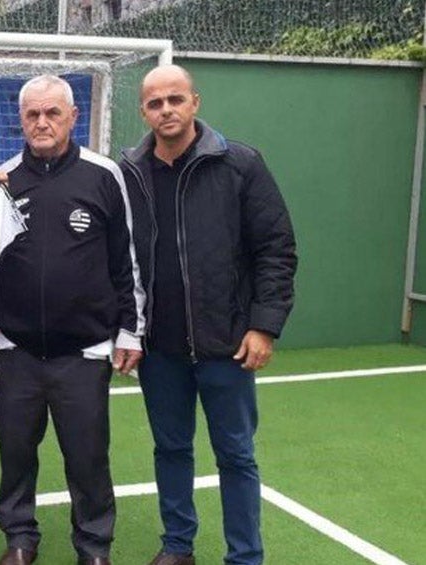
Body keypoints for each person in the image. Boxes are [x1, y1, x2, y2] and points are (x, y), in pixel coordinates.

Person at [120, 65, 297, 565]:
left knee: (236, 457)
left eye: (175, 99)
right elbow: (118, 257)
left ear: (195, 102)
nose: (166, 110)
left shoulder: (239, 163)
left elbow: (276, 249)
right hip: (160, 351)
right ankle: (178, 546)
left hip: (228, 345)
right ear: (143, 111)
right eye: (155, 103)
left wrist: (264, 324)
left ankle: (245, 556)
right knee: (171, 451)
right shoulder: (130, 172)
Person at [0, 75, 146, 565]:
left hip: (84, 351)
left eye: (53, 113)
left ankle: (93, 546)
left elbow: (125, 260)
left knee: (88, 458)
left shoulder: (103, 175)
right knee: (15, 455)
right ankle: (20, 539)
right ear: (21, 120)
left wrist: (130, 331)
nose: (42, 122)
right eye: (33, 114)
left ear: (73, 117)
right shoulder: (2, 180)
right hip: (18, 350)